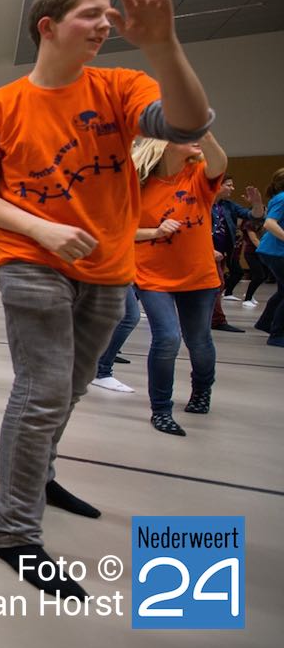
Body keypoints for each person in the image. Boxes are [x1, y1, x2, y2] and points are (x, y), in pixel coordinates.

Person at [0, 0, 214, 598]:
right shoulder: (0, 107)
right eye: (90, 14)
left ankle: (40, 477)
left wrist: (163, 45)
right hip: (31, 261)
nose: (105, 24)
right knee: (42, 391)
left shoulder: (121, 87)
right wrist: (39, 228)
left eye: (109, 15)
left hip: (108, 267)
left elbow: (188, 122)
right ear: (48, 26)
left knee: (69, 390)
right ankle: (15, 532)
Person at [131, 134, 228, 435]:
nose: (194, 139)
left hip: (198, 276)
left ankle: (202, 389)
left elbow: (220, 162)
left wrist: (204, 132)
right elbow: (120, 232)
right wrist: (155, 232)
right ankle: (161, 409)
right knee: (167, 339)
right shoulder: (137, 183)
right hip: (152, 275)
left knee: (198, 341)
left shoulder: (198, 176)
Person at [210, 176, 264, 332]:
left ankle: (211, 319)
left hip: (222, 252)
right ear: (217, 185)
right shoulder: (202, 203)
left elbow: (255, 216)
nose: (232, 188)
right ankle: (216, 320)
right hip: (206, 252)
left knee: (216, 286)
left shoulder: (228, 205)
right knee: (217, 284)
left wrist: (257, 204)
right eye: (229, 185)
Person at [254, 168, 284, 346]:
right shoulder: (282, 198)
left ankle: (266, 323)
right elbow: (269, 223)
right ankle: (277, 334)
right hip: (276, 251)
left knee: (282, 291)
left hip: (273, 250)